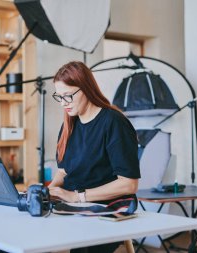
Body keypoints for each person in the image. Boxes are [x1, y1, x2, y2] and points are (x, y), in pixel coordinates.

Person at [48, 61, 141, 253]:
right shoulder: (69, 125)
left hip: (108, 207)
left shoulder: (114, 123)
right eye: (59, 96)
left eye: (68, 96)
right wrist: (50, 190)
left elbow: (128, 185)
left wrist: (76, 197)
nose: (64, 103)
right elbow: (63, 171)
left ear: (87, 89)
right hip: (74, 204)